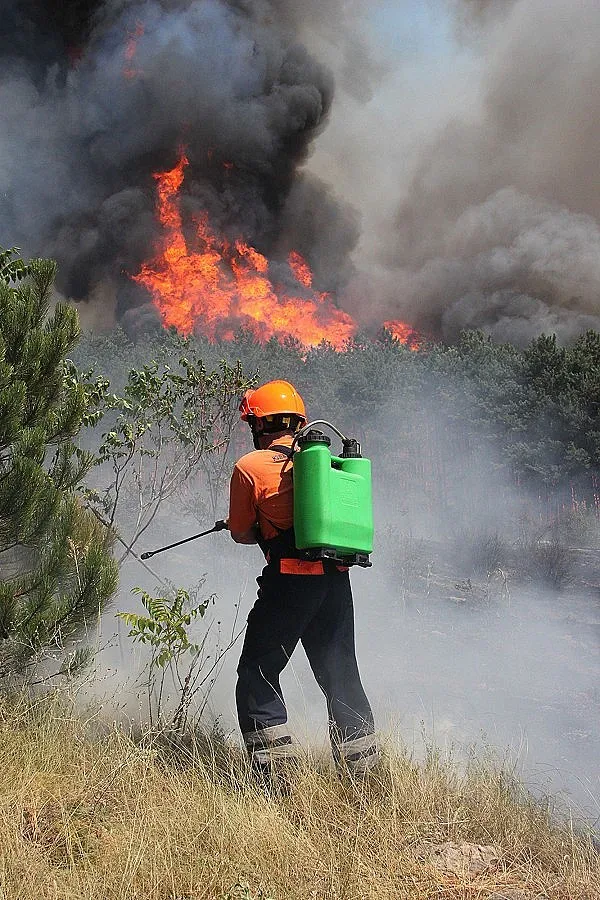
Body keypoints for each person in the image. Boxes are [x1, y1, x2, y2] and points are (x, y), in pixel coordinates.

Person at [227, 379, 378, 781]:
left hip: (290, 584)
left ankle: (277, 780)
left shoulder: (250, 467)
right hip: (335, 583)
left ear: (261, 426)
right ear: (297, 422)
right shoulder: (327, 466)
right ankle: (365, 779)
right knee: (340, 675)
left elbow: (241, 531)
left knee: (258, 673)